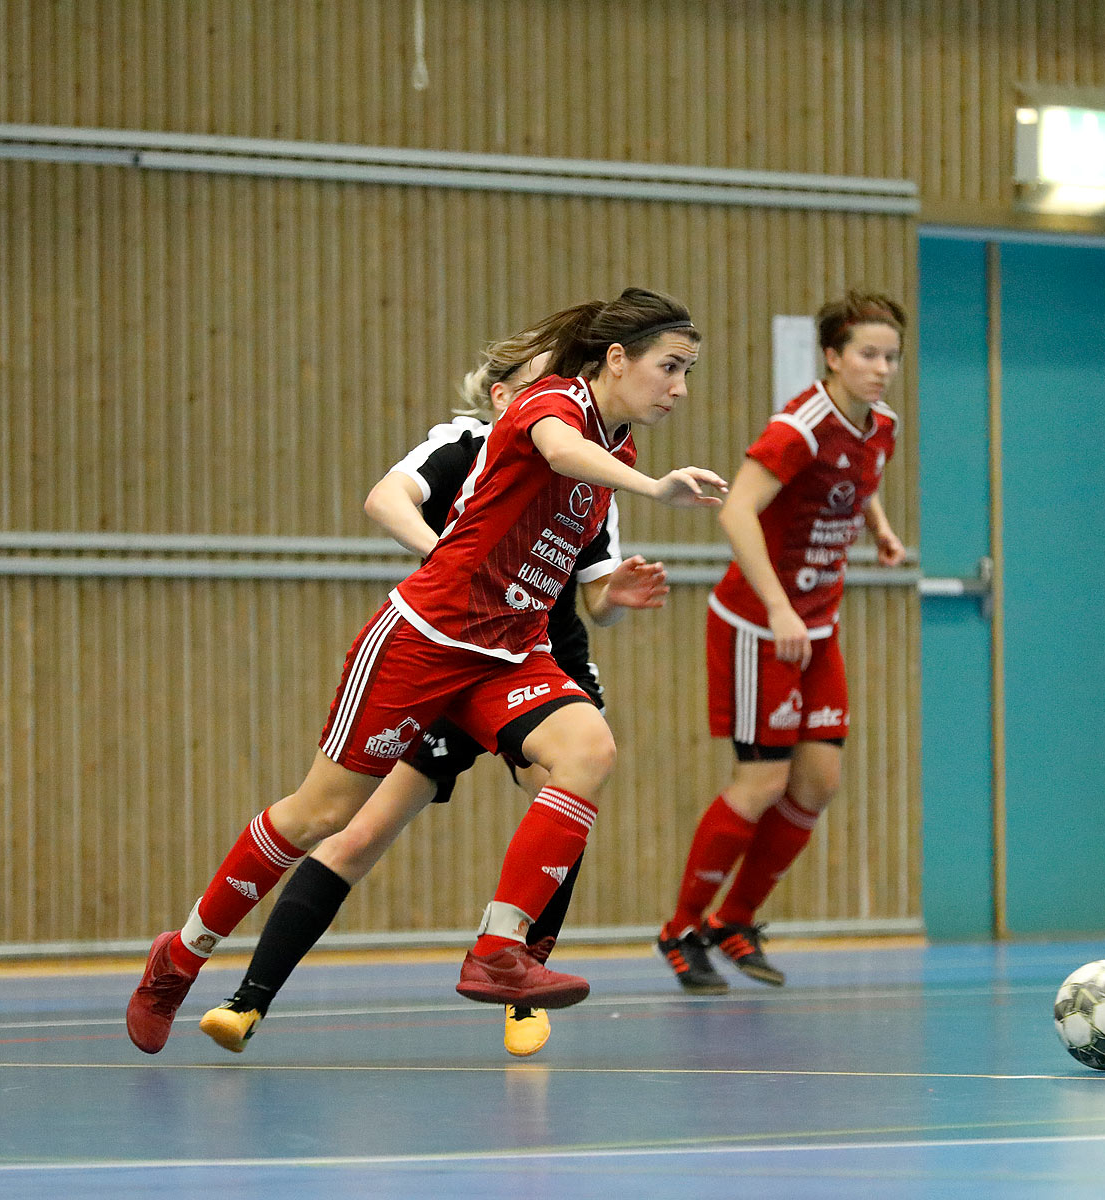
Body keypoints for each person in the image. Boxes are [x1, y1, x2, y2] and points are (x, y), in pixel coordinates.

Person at [126, 286, 726, 1055]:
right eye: (670, 367)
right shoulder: (551, 403)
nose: (679, 388)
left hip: (512, 650)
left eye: (688, 372)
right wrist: (653, 489)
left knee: (588, 750)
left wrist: (612, 589)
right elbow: (553, 449)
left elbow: (585, 556)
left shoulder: (619, 447)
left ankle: (499, 949)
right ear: (617, 359)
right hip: (428, 638)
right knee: (321, 816)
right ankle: (180, 957)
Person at [655, 290, 906, 993]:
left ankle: (735, 920)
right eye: (867, 355)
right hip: (759, 626)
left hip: (817, 626)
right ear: (832, 356)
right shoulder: (800, 425)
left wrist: (878, 528)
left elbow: (859, 477)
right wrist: (777, 607)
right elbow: (736, 510)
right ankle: (681, 926)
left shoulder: (879, 423)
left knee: (817, 782)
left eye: (890, 356)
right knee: (761, 781)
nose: (882, 368)